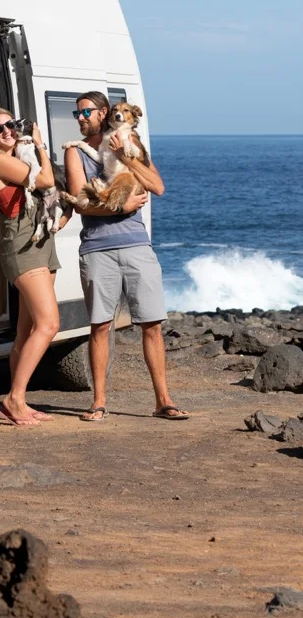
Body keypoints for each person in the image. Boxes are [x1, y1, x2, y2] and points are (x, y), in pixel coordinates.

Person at [64, 91, 188, 422]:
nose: (80, 118)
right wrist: (123, 205)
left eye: (85, 112)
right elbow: (81, 203)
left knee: (152, 324)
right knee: (100, 326)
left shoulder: (128, 143)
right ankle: (99, 402)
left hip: (136, 245)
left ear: (103, 114)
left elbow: (157, 186)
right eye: (77, 113)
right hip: (96, 248)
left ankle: (163, 401)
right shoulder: (76, 153)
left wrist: (128, 157)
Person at [0, 108, 67, 426]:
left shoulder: (19, 158)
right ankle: (13, 398)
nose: (6, 131)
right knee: (48, 325)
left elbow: (52, 186)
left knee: (27, 330)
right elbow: (44, 179)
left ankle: (18, 399)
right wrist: (40, 143)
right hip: (22, 249)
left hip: (42, 246)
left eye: (11, 125)